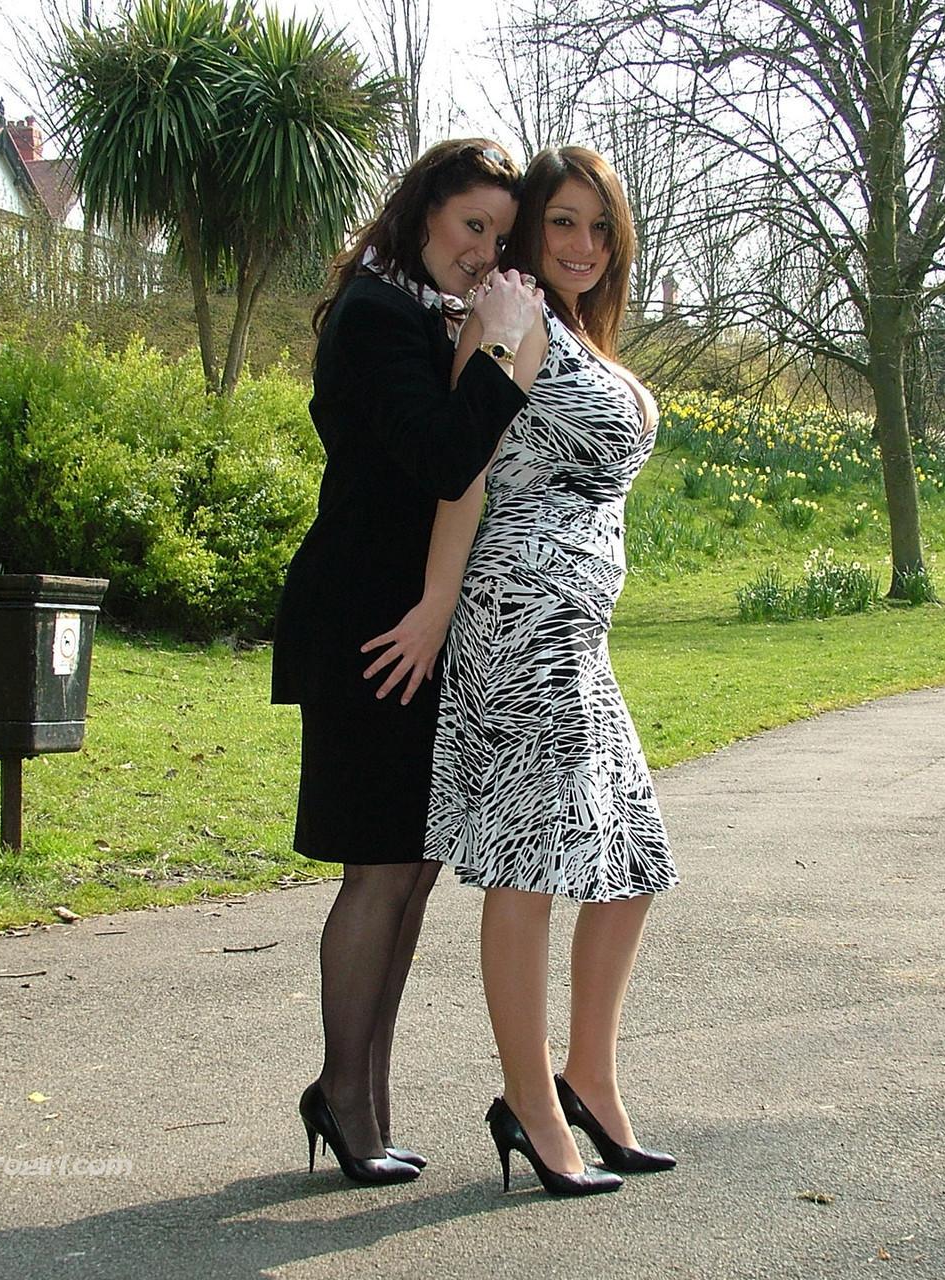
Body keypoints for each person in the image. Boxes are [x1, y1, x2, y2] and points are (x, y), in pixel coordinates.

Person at [374, 146, 680, 1196]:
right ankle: (532, 1104)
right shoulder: (509, 315)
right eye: (560, 223)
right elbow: (462, 473)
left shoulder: (578, 335)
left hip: (576, 639)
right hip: (520, 625)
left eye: (599, 228)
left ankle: (586, 1076)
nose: (581, 247)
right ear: (526, 233)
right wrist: (433, 603)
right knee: (530, 863)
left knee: (630, 856)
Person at [270, 140, 543, 1186]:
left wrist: (481, 339)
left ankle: (360, 1094)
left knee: (411, 865)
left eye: (498, 238)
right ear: (423, 212)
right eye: (471, 226)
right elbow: (440, 457)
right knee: (379, 867)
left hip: (409, 621)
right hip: (367, 624)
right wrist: (503, 350)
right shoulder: (375, 317)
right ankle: (344, 1096)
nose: (485, 253)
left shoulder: (419, 313)